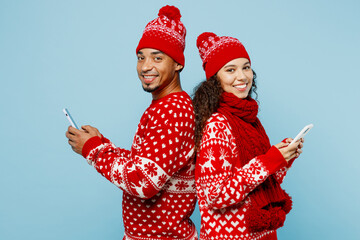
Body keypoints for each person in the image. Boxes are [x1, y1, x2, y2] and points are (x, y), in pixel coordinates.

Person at [65, 6, 198, 240]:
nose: (145, 66)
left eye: (157, 57)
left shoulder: (174, 111)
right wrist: (102, 143)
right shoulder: (164, 106)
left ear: (178, 64)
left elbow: (143, 182)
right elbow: (146, 164)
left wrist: (92, 149)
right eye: (141, 57)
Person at [192, 32, 304, 240]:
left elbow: (263, 181)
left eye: (246, 67)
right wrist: (269, 160)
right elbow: (216, 195)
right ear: (215, 79)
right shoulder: (217, 125)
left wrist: (283, 158)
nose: (242, 76)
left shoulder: (251, 120)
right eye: (230, 70)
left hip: (263, 233)